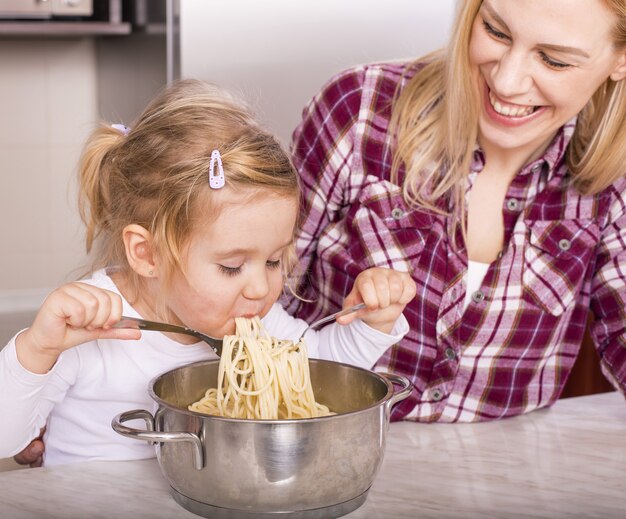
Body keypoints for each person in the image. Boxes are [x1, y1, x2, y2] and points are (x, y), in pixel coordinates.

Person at [0, 79, 416, 467]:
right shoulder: (91, 327)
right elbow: (7, 440)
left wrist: (374, 322)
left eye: (274, 260)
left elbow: (321, 370)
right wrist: (37, 350)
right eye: (232, 267)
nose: (261, 287)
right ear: (147, 254)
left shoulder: (255, 319)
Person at [282, 0, 626, 423]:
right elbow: (259, 295)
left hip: (501, 470)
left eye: (554, 60)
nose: (507, 81)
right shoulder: (360, 109)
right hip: (328, 442)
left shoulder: (615, 177)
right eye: (496, 32)